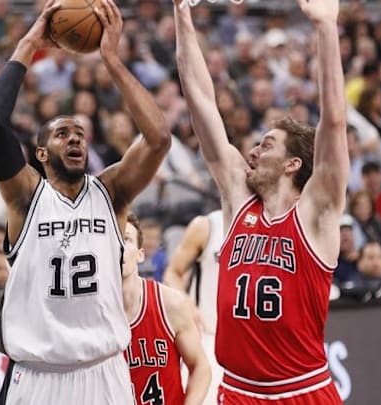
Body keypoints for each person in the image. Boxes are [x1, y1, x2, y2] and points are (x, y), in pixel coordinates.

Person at [0, 1, 170, 404]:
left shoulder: (111, 192)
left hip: (104, 372)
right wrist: (32, 41)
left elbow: (158, 139)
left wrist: (112, 61)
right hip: (39, 377)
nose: (75, 139)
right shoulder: (26, 197)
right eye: (62, 133)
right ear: (42, 154)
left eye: (80, 134)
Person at [174, 0, 346, 402]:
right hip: (237, 390)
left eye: (265, 146)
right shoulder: (239, 202)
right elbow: (200, 99)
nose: (252, 153)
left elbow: (334, 123)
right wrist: (181, 12)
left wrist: (325, 28)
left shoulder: (316, 213)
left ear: (293, 164)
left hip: (302, 390)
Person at [123, 214, 210, 404]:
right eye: (112, 238)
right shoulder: (89, 312)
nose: (118, 246)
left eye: (126, 239)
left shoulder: (170, 303)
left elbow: (201, 368)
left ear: (140, 254)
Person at [163, 210, 223, 405]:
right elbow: (173, 272)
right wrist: (186, 303)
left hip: (255, 345)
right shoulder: (207, 225)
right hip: (210, 336)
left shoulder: (276, 222)